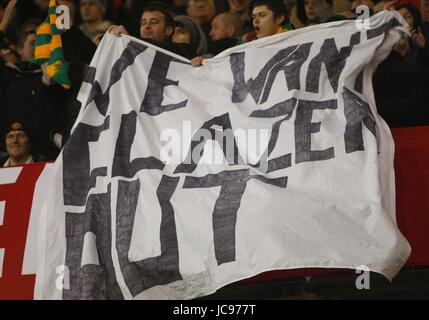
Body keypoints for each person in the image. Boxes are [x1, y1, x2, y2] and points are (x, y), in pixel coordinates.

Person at [108, 2, 196, 59]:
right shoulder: (130, 53)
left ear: (168, 30)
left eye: (154, 22)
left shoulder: (184, 50)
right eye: (143, 23)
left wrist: (131, 41)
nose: (147, 26)